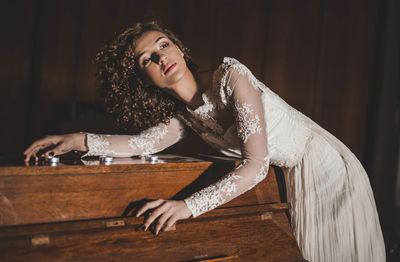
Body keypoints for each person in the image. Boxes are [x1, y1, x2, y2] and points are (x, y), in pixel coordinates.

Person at [24, 21, 385, 261]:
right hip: (295, 177)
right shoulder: (185, 117)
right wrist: (78, 139)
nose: (160, 56)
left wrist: (186, 207)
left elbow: (256, 165)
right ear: (144, 81)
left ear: (180, 49)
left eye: (163, 45)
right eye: (147, 59)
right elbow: (142, 144)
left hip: (326, 169)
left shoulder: (232, 76)